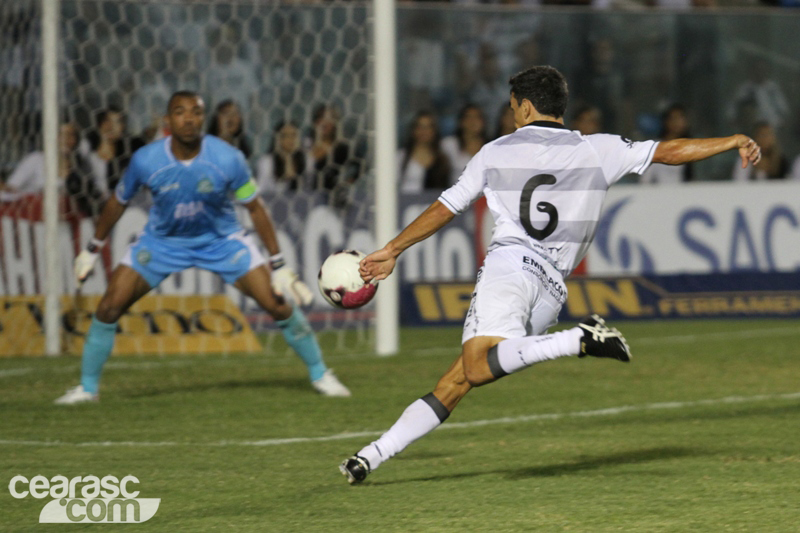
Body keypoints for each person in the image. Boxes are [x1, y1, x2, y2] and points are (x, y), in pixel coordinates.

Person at [339, 65, 762, 484]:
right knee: (457, 380)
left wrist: (393, 249)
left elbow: (447, 207)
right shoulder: (599, 148)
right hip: (553, 288)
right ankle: (370, 457)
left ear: (523, 107)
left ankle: (577, 339)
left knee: (475, 368)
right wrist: (733, 141)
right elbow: (668, 151)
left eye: (511, 107)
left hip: (511, 265)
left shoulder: (495, 152)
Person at [54, 91, 350, 405]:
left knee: (277, 303)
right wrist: (91, 249)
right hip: (162, 243)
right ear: (168, 120)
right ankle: (87, 389)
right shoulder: (146, 159)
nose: (188, 118)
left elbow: (256, 208)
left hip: (221, 242)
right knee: (109, 305)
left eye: (195, 112)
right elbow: (118, 201)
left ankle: (321, 374)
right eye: (180, 112)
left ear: (203, 118)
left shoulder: (227, 157)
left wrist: (278, 265)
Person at [1, 121, 103, 217]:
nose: (66, 139)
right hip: (34, 218)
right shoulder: (36, 160)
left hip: (69, 222)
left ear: (77, 140)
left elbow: (96, 193)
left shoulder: (82, 166)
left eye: (71, 135)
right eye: (61, 134)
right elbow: (10, 188)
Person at [397, 111, 451, 193]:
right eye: (420, 127)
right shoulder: (400, 157)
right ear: (413, 130)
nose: (424, 131)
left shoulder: (443, 160)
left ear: (434, 131)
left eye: (428, 127)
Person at [640, 104, 694, 184]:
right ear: (666, 121)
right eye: (674, 118)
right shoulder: (656, 147)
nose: (678, 123)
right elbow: (645, 180)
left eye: (681, 118)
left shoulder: (691, 147)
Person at [85, 106, 131, 193]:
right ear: (100, 123)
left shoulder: (128, 162)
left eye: (116, 122)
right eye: (107, 120)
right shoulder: (86, 157)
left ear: (123, 127)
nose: (110, 127)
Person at [440, 104, 488, 185]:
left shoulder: (491, 147)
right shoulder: (449, 144)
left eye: (477, 117)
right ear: (461, 122)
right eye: (468, 117)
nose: (473, 121)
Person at [256, 121, 308, 194]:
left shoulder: (306, 159)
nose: (290, 139)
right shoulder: (267, 162)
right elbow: (260, 190)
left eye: (294, 135)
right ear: (277, 139)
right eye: (285, 135)